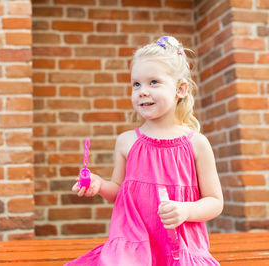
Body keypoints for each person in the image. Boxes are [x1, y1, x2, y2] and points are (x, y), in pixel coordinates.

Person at [66, 36, 223, 265]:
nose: (142, 91)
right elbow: (120, 192)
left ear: (180, 89)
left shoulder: (196, 144)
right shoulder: (126, 142)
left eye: (153, 82)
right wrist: (100, 185)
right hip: (133, 249)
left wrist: (186, 210)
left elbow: (215, 201)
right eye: (136, 84)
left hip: (181, 248)